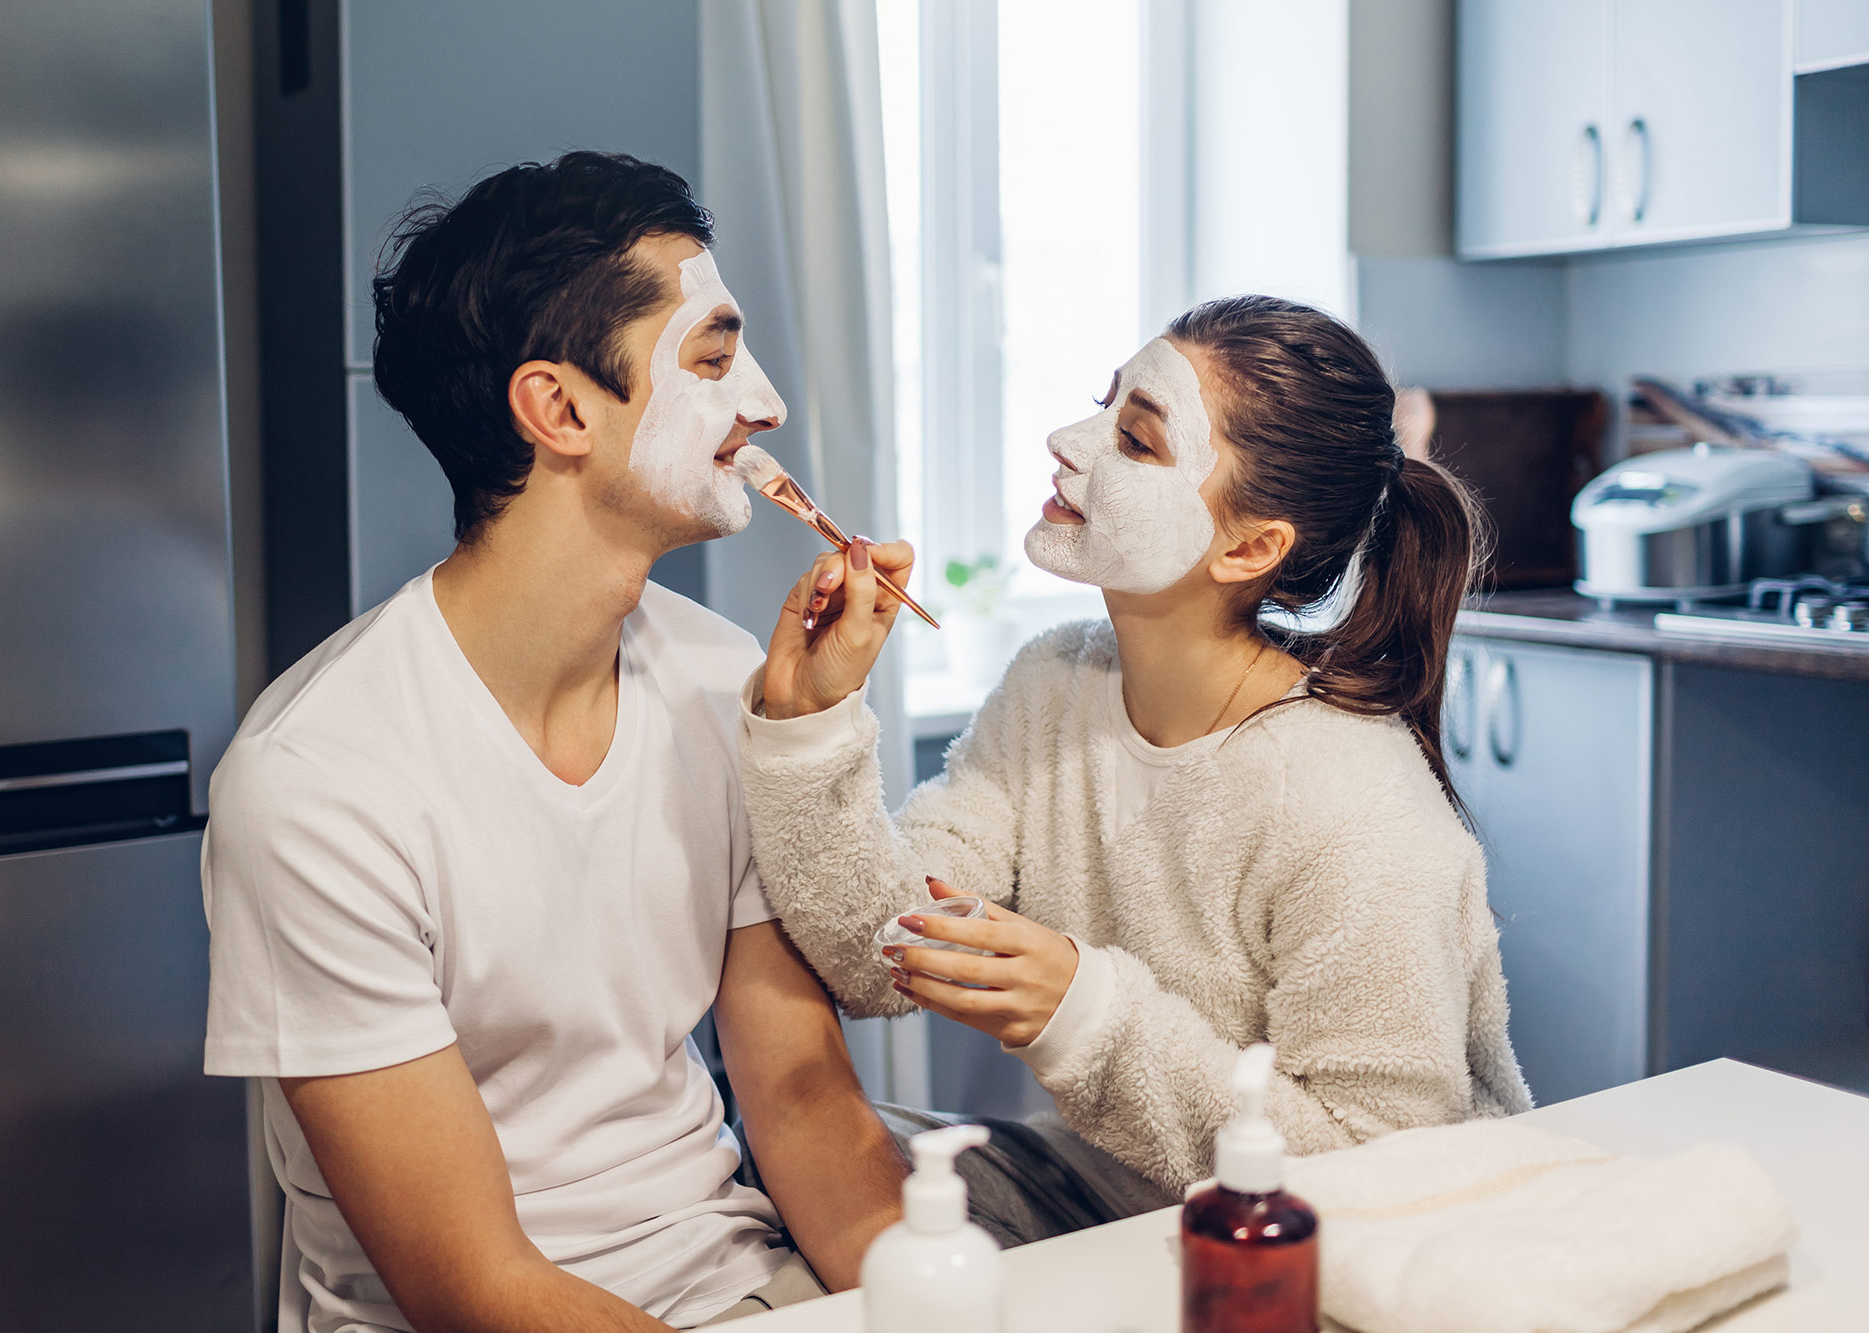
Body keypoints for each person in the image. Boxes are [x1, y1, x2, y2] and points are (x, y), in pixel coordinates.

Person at [201, 152, 907, 1332]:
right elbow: (472, 1284)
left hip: (734, 1282)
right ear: (561, 409)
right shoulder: (315, 783)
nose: (767, 405)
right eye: (714, 359)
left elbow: (804, 1108)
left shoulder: (722, 682)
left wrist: (942, 1303)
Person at [738, 295, 1533, 1236]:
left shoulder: (1353, 801)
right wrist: (812, 718)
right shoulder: (1055, 684)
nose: (1066, 443)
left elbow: (1385, 1174)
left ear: (1249, 547)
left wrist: (1086, 1015)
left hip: (1356, 1245)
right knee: (770, 1176)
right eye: (1101, 405)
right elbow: (882, 950)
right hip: (1120, 1194)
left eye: (1138, 440)